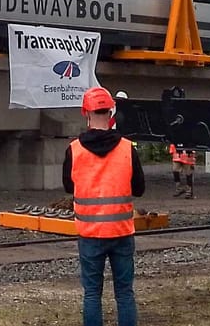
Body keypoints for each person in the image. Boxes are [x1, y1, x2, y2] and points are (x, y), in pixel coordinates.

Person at [63, 86, 144, 326]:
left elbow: (69, 187)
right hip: (121, 231)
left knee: (91, 294)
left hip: (90, 234)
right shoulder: (128, 148)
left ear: (85, 113)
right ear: (111, 112)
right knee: (125, 293)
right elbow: (139, 189)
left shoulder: (74, 150)